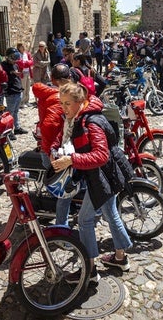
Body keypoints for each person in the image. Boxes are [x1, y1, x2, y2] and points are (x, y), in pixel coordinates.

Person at [50, 82, 133, 283]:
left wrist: (71, 159)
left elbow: (101, 156)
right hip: (104, 176)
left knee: (85, 220)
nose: (64, 108)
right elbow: (62, 138)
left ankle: (89, 270)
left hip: (102, 177)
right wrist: (54, 150)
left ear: (81, 102)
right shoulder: (74, 119)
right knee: (111, 214)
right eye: (62, 103)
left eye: (68, 103)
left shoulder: (91, 123)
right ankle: (120, 258)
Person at [32, 64, 73, 226]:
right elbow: (49, 126)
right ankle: (61, 228)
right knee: (66, 192)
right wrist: (52, 150)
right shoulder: (58, 97)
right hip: (55, 149)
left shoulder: (49, 93)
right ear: (68, 78)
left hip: (51, 145)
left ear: (52, 79)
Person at [1, 48, 27, 135]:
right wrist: (12, 72)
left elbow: (17, 75)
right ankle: (9, 131)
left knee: (16, 111)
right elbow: (4, 75)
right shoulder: (3, 65)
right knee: (10, 113)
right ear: (8, 57)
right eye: (13, 58)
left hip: (18, 90)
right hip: (11, 92)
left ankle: (17, 127)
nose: (15, 61)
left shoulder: (15, 65)